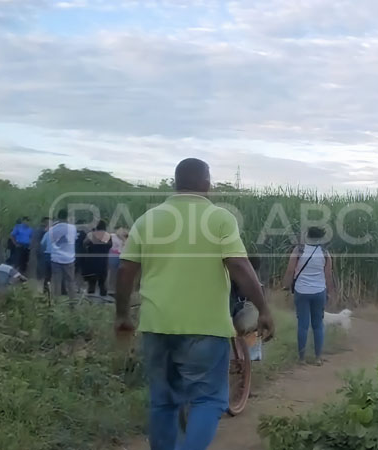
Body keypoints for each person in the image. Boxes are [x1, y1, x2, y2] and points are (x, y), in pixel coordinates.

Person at [115, 158, 275, 450]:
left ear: (176, 183)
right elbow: (238, 264)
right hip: (206, 328)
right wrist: (263, 308)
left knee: (163, 402)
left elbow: (125, 270)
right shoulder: (219, 218)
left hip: (156, 325)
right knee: (209, 399)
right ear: (206, 183)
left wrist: (122, 315)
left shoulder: (147, 220)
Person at [282, 226, 336, 365]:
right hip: (319, 292)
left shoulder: (299, 250)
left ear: (308, 236)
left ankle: (302, 359)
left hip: (301, 291)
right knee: (318, 325)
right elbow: (328, 276)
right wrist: (330, 293)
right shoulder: (325, 253)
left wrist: (285, 286)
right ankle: (318, 358)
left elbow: (290, 271)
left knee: (303, 325)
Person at [48, 209, 77, 301]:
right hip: (69, 259)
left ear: (58, 217)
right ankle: (72, 302)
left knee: (57, 282)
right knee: (70, 281)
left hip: (56, 258)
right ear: (67, 217)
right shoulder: (72, 228)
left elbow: (52, 241)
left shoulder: (52, 229)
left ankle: (56, 302)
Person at [82, 220, 112, 299]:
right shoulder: (107, 236)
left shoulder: (91, 235)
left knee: (91, 284)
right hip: (103, 261)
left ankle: (90, 303)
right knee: (102, 284)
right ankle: (103, 302)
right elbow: (110, 246)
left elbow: (84, 243)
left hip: (91, 261)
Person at [107, 226, 127, 294]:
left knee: (121, 273)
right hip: (113, 255)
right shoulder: (112, 236)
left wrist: (124, 239)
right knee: (113, 272)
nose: (122, 231)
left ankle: (119, 289)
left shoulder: (126, 238)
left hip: (122, 256)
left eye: (123, 230)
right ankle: (111, 289)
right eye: (120, 230)